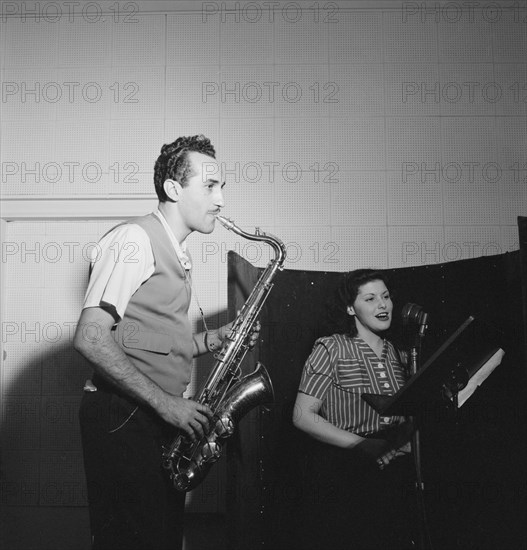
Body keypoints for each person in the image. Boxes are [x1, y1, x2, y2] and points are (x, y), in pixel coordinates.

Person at [74, 135, 258, 550]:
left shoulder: (173, 251)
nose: (221, 200)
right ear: (174, 189)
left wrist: (214, 339)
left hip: (145, 414)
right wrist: (167, 404)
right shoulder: (135, 240)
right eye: (210, 186)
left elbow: (142, 339)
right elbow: (89, 337)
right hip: (123, 413)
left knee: (160, 536)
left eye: (222, 187)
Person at [293, 269, 415, 550]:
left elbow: (406, 414)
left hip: (392, 471)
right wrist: (363, 445)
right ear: (350, 308)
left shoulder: (397, 352)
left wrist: (404, 442)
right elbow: (302, 416)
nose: (382, 305)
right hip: (345, 472)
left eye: (385, 297)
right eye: (370, 299)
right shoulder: (331, 348)